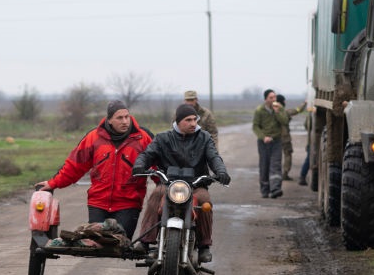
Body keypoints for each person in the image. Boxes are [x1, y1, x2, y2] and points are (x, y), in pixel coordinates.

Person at [36, 100, 152, 237]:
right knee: (97, 239)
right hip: (98, 203)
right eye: (119, 118)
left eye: (127, 117)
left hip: (128, 203)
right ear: (109, 120)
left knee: (120, 239)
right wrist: (52, 183)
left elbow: (159, 166)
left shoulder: (143, 138)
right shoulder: (93, 138)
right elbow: (74, 166)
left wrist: (169, 188)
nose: (125, 121)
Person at [132, 104, 230, 264]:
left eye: (195, 119)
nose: (193, 123)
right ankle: (145, 241)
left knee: (205, 201)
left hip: (196, 185)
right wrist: (139, 164)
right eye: (188, 120)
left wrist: (221, 172)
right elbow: (147, 154)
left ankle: (204, 245)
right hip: (169, 184)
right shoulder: (164, 138)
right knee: (156, 194)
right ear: (177, 122)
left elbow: (214, 157)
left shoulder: (204, 137)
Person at [252, 89, 288, 198]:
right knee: (264, 165)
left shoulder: (280, 108)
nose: (274, 99)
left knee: (276, 164)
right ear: (266, 99)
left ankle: (276, 189)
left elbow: (285, 121)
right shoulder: (259, 110)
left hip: (276, 141)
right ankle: (265, 190)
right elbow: (255, 126)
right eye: (271, 97)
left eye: (275, 97)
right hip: (263, 143)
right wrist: (263, 137)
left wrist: (277, 112)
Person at [298, 112, 311, 186]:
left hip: (311, 141)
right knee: (309, 159)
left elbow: (306, 125)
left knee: (309, 159)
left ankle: (302, 176)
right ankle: (302, 176)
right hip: (312, 141)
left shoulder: (309, 114)